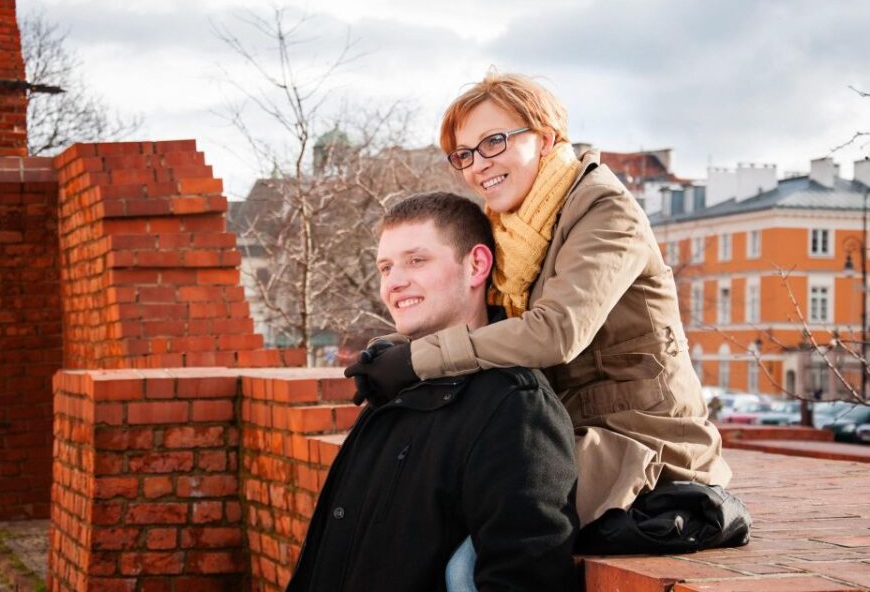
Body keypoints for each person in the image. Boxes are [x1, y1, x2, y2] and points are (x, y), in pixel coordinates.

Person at [346, 71, 750, 555]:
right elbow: (488, 330)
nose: (479, 165)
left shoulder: (604, 210)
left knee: (462, 557)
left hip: (647, 449)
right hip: (560, 440)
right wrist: (400, 350)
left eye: (494, 142)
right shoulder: (515, 229)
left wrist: (416, 362)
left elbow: (556, 332)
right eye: (466, 154)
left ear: (545, 137)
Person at [288, 192, 579, 592]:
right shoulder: (393, 387)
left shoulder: (516, 407)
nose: (395, 282)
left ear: (476, 265)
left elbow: (526, 576)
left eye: (417, 260)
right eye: (386, 267)